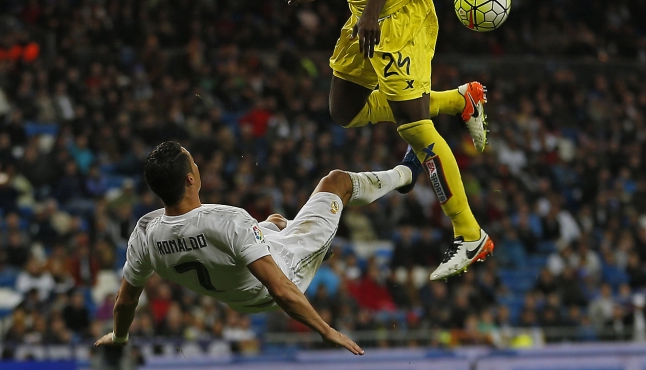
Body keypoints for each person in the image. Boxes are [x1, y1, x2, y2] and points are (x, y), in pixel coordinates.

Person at [237, 0, 492, 280]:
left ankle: (470, 235)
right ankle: (461, 100)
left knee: (415, 127)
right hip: (367, 13)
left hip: (399, 8)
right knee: (345, 109)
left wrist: (371, 15)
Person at [95, 141, 423, 354]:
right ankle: (406, 173)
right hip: (285, 272)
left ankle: (282, 229)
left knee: (274, 221)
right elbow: (280, 287)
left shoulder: (144, 232)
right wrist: (325, 330)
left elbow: (126, 300)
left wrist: (119, 337)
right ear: (190, 179)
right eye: (193, 162)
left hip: (240, 294)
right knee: (337, 181)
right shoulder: (227, 220)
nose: (196, 166)